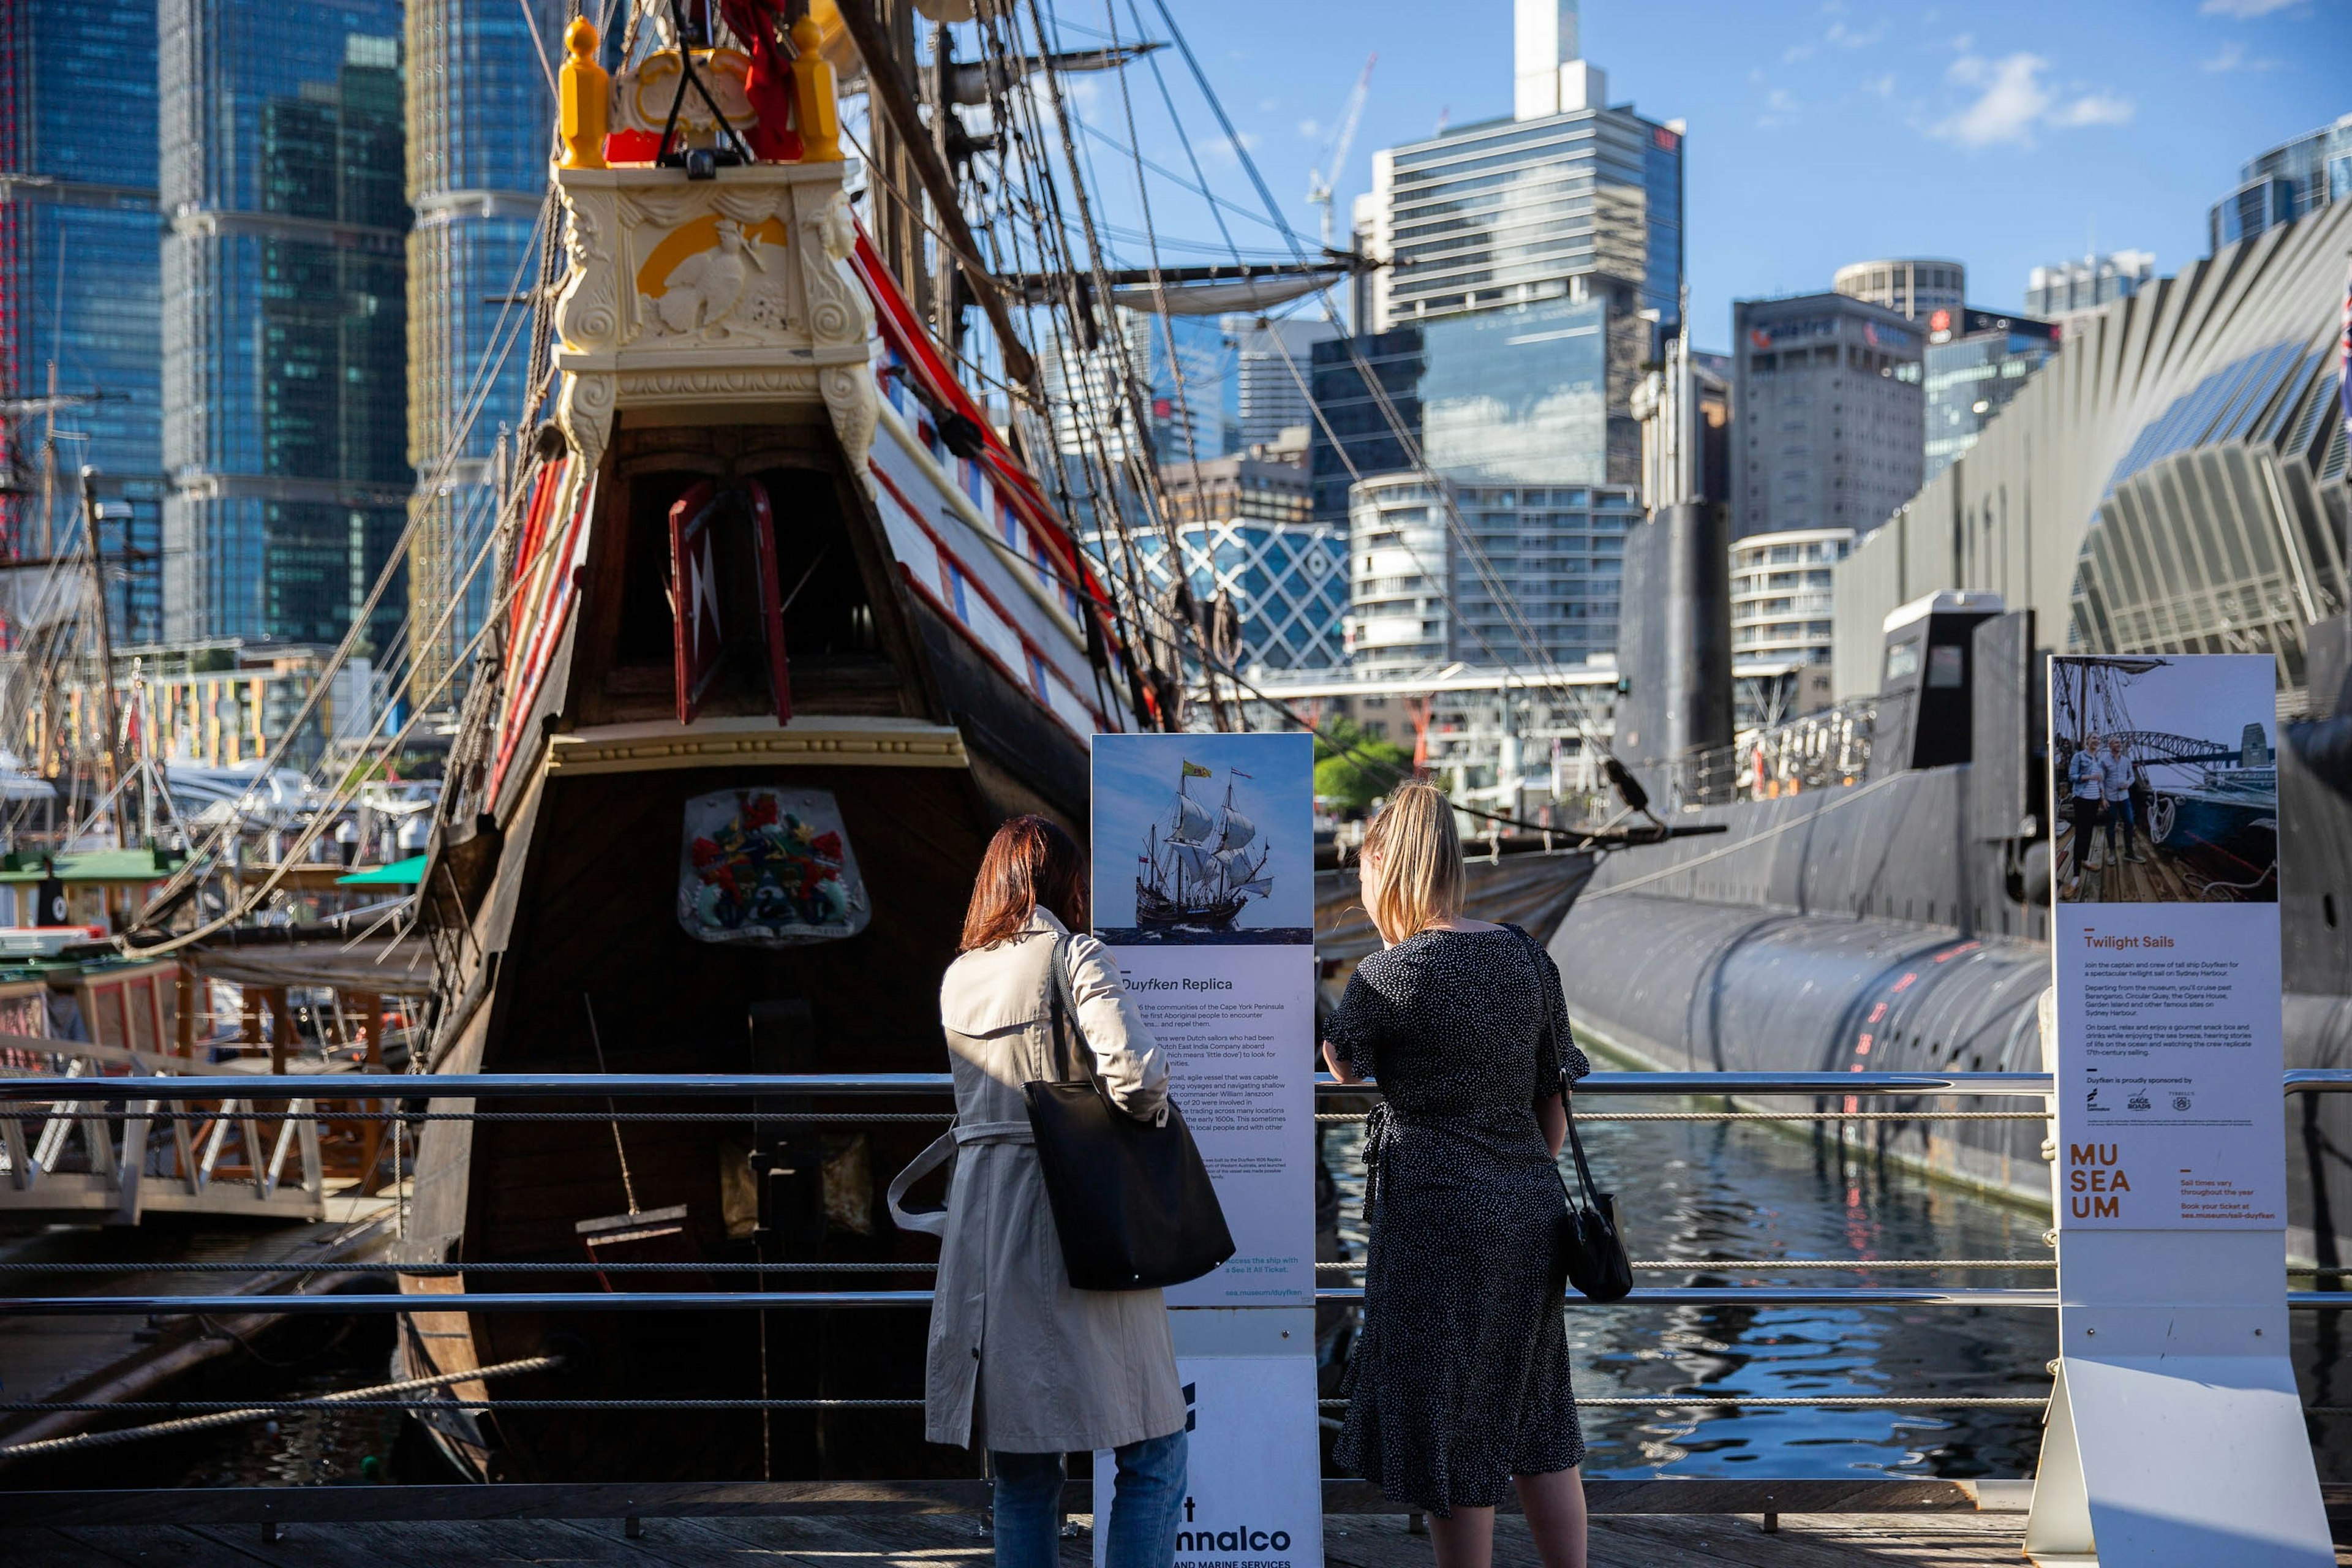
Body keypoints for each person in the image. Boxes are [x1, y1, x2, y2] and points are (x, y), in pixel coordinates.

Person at [1320, 783, 1592, 1568]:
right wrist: (1516, 1178)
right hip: (1529, 1213)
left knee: (1449, 1415)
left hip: (1435, 1218)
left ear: (1389, 868)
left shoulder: (1389, 973)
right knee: (1539, 1411)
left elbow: (1341, 1063)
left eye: (1366, 875)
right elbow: (1555, 1098)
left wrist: (1378, 943)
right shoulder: (1526, 954)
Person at [919, 815, 1187, 1568]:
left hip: (983, 1225)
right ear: (1064, 882)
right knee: (1153, 1443)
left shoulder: (960, 974)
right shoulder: (1072, 955)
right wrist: (1150, 1119)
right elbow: (1137, 1077)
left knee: (1025, 1469)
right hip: (1077, 1218)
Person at [2067, 734, 2108, 891]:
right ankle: (2076, 876)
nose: (2096, 741)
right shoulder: (2079, 756)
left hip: (2094, 800)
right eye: (2094, 738)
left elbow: (2100, 781)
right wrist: (2090, 776)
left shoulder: (2097, 759)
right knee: (2081, 835)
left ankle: (2085, 860)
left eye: (2098, 739)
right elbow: (2072, 777)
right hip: (2082, 799)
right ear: (2087, 741)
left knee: (2089, 831)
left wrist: (2102, 797)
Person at [2103, 736, 2145, 865]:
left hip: (2124, 797)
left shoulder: (2126, 761)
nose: (2119, 744)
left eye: (2120, 742)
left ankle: (2130, 853)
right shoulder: (2104, 761)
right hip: (2111, 798)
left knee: (2130, 822)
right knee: (2111, 826)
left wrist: (2128, 783)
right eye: (2116, 742)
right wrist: (2103, 798)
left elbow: (2132, 777)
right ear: (2110, 745)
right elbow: (2101, 781)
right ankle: (2112, 853)